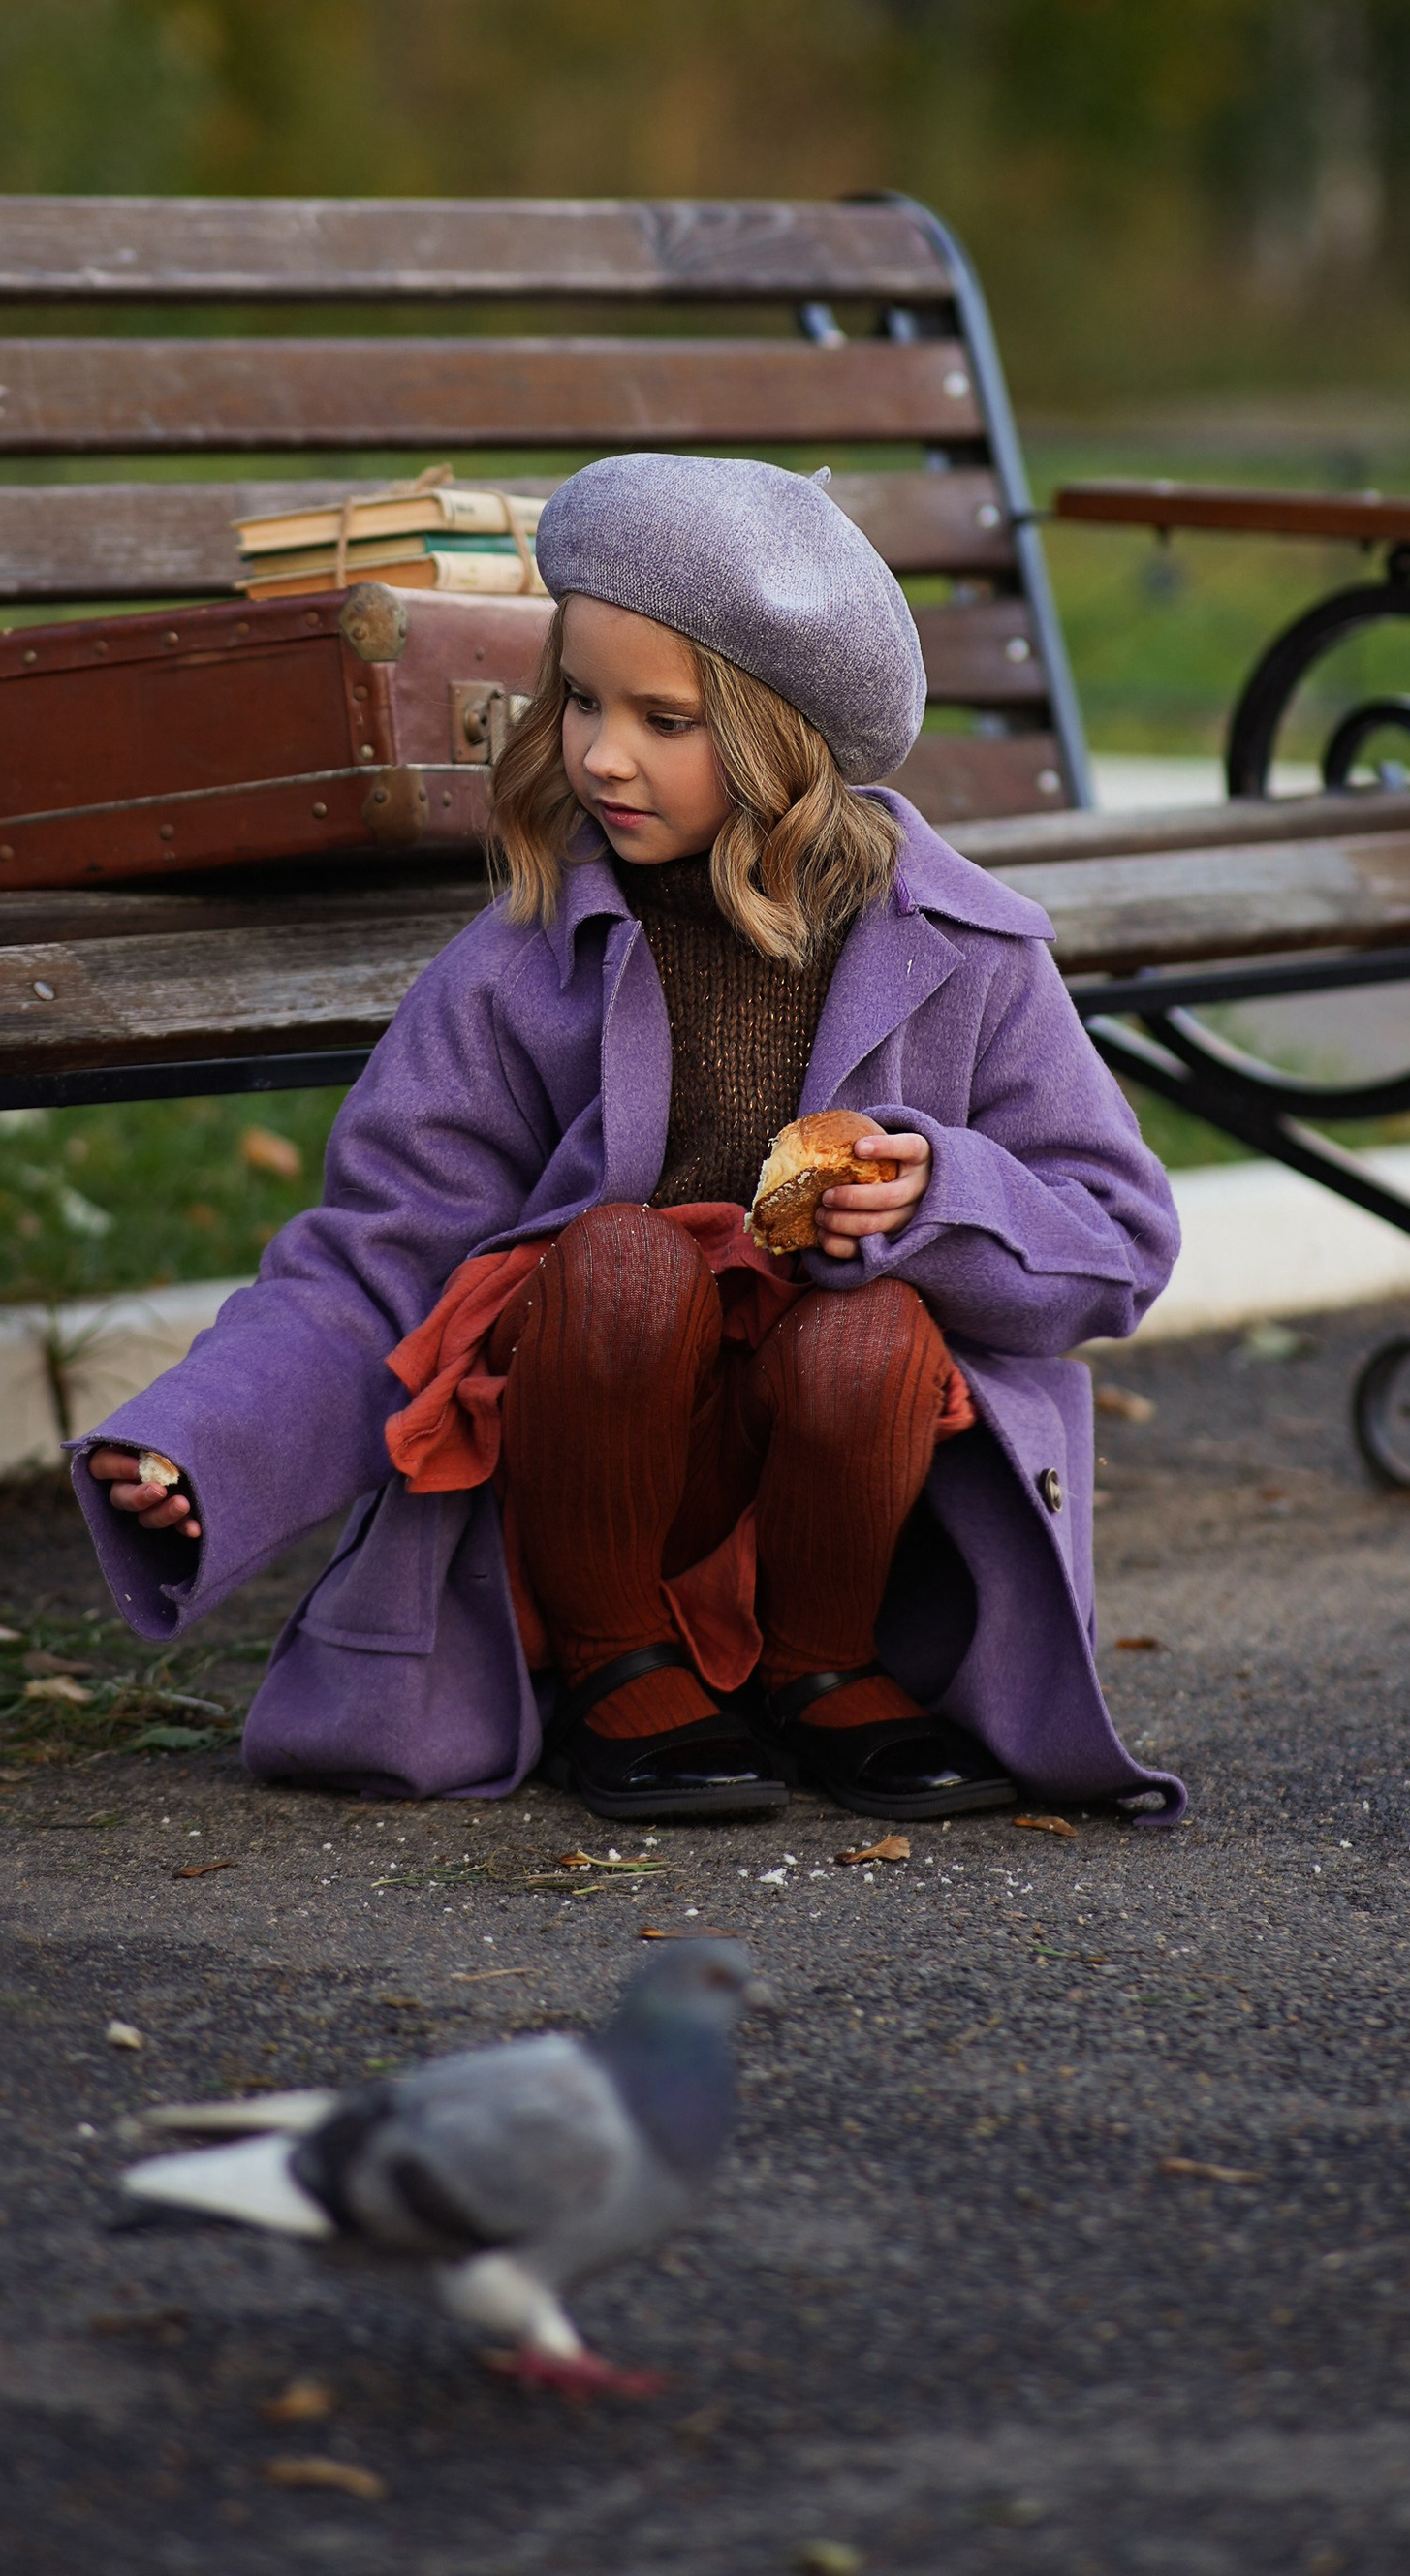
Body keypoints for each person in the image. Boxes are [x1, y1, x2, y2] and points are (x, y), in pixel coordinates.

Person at [78, 453, 1183, 1824]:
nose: (602, 753)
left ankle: (825, 1664)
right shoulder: (520, 967)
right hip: (591, 1462)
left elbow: (1121, 1238)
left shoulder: (967, 955)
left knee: (868, 1336)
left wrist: (938, 1196)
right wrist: (203, 1442)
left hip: (838, 1485)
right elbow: (380, 1256)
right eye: (582, 700)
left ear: (783, 737)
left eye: (663, 718)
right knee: (617, 1259)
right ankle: (614, 1660)